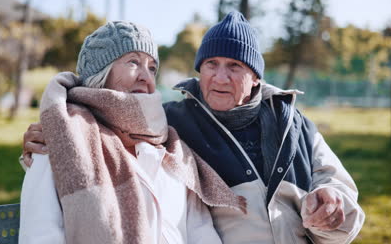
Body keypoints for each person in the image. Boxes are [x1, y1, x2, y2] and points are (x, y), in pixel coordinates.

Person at [22, 12, 365, 243]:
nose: (219, 77)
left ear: (256, 77)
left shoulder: (296, 125)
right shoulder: (173, 124)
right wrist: (55, 130)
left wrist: (335, 208)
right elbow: (107, 120)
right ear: (199, 69)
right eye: (211, 64)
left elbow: (343, 201)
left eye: (234, 66)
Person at [18, 21, 246, 244]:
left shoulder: (170, 147)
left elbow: (199, 229)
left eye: (152, 67)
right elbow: (40, 234)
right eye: (133, 62)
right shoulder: (62, 136)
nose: (145, 77)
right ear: (101, 72)